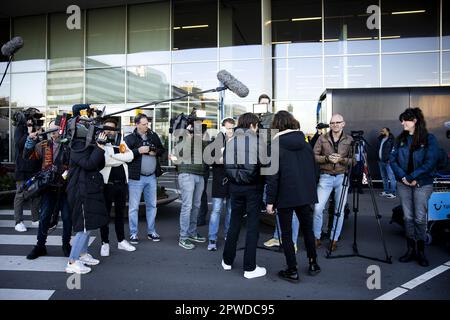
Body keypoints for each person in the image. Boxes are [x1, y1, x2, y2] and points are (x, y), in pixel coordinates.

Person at [265, 111, 320, 283]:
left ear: (277, 125)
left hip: (285, 196)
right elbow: (314, 169)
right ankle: (313, 263)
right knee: (308, 230)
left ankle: (292, 270)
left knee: (287, 234)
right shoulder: (305, 143)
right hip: (305, 194)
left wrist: (270, 201)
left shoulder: (274, 145)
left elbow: (271, 177)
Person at [390, 108, 439, 267]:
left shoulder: (429, 139)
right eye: (402, 120)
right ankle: (410, 250)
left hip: (422, 184)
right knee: (408, 218)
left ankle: (421, 251)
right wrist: (404, 177)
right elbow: (392, 160)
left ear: (415, 121)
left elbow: (431, 162)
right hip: (403, 184)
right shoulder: (400, 139)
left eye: (405, 120)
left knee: (419, 218)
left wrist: (412, 177)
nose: (402, 123)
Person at [222, 113, 266, 279]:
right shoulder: (257, 141)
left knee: (234, 222)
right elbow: (265, 163)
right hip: (253, 187)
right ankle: (249, 268)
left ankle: (227, 260)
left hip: (235, 187)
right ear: (253, 125)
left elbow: (226, 163)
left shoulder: (231, 140)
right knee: (252, 227)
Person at [66, 119, 109, 274]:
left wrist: (100, 147)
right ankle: (72, 262)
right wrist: (98, 147)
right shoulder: (76, 146)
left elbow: (100, 164)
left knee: (89, 224)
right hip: (80, 190)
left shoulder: (88, 144)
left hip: (89, 189)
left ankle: (83, 254)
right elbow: (89, 164)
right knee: (83, 227)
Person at [24, 121, 72, 259]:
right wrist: (30, 141)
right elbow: (28, 156)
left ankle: (66, 245)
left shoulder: (69, 145)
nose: (53, 132)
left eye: (56, 129)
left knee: (67, 218)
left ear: (62, 130)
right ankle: (40, 246)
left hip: (66, 188)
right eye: (51, 130)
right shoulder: (43, 145)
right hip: (48, 188)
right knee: (44, 217)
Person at [312, 114, 353, 251]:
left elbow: (354, 161)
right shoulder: (322, 138)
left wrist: (341, 160)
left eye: (338, 122)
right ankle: (316, 237)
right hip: (325, 177)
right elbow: (314, 156)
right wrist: (328, 159)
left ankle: (334, 239)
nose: (335, 124)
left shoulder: (349, 140)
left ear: (343, 124)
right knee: (318, 208)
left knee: (339, 211)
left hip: (342, 177)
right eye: (332, 122)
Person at [124, 113, 165, 245]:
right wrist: (139, 151)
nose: (146, 126)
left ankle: (151, 231)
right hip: (136, 178)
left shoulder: (153, 135)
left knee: (152, 206)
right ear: (136, 124)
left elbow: (162, 150)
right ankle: (133, 234)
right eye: (144, 124)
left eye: (147, 124)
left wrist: (154, 151)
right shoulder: (129, 138)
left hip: (151, 177)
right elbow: (124, 156)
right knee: (134, 207)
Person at [99, 118, 136, 256]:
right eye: (107, 128)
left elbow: (131, 156)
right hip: (107, 185)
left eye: (112, 129)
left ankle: (121, 241)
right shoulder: (100, 142)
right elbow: (104, 160)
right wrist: (120, 156)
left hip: (121, 184)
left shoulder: (121, 141)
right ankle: (105, 243)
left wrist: (114, 156)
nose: (109, 131)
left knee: (120, 215)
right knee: (105, 215)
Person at [172, 122, 209, 250]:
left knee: (196, 205)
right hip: (187, 173)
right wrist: (189, 137)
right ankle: (183, 237)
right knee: (187, 206)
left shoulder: (201, 141)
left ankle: (192, 232)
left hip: (200, 174)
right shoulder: (182, 138)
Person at [207, 118, 235, 251]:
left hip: (233, 181)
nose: (230, 131)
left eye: (232, 128)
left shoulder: (237, 142)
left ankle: (228, 235)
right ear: (222, 128)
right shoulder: (216, 141)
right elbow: (208, 159)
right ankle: (212, 238)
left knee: (230, 210)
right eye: (228, 128)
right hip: (219, 181)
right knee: (216, 210)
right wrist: (218, 160)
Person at [13, 112, 42, 232]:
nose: (33, 121)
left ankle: (35, 219)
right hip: (22, 168)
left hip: (35, 168)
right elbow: (19, 144)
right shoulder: (20, 129)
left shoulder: (37, 128)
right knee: (20, 194)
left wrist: (39, 135)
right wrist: (29, 134)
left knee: (36, 194)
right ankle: (18, 221)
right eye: (31, 119)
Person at [377, 127, 396, 199]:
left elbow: (394, 151)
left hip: (388, 161)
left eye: (383, 130)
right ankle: (386, 191)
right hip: (380, 161)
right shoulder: (380, 138)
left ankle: (393, 192)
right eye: (381, 130)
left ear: (388, 131)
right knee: (384, 177)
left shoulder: (392, 140)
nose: (381, 131)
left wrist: (390, 159)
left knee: (391, 177)